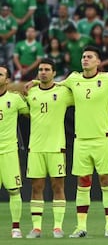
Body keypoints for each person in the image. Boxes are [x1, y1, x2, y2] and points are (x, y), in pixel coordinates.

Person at [50, 46, 108, 238]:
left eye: (90, 57)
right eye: (83, 57)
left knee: (106, 181)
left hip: (102, 139)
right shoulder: (74, 79)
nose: (85, 60)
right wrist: (33, 82)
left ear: (98, 62)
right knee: (82, 183)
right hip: (81, 140)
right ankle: (81, 227)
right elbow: (54, 85)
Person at [25, 58, 74, 239]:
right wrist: (36, 83)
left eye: (47, 69)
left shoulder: (63, 93)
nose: (43, 72)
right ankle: (36, 228)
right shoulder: (30, 92)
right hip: (35, 148)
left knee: (58, 186)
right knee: (36, 187)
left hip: (56, 147)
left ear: (54, 73)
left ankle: (57, 228)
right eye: (40, 70)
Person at [0, 65, 29, 238]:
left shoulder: (15, 99)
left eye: (0, 74)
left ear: (8, 80)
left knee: (14, 190)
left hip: (9, 151)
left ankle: (16, 228)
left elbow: (32, 114)